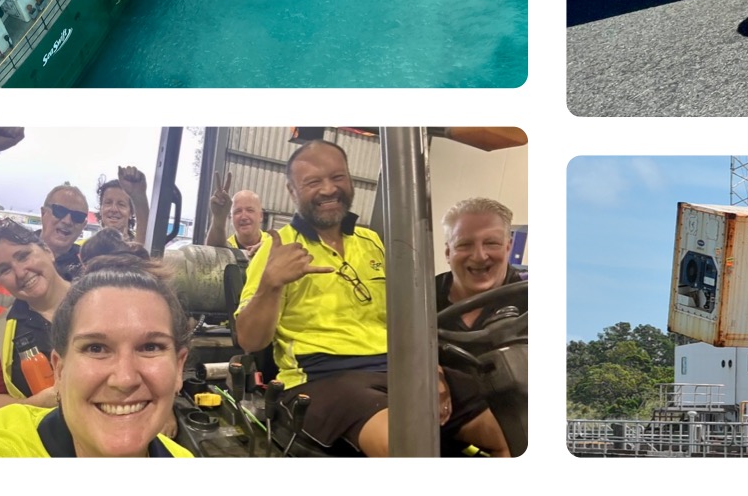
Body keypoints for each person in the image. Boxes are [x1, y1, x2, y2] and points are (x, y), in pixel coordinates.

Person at [235, 138, 433, 455]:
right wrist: (271, 284)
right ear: (292, 191)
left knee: (505, 410)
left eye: (337, 177)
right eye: (313, 182)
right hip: (322, 378)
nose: (328, 189)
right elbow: (249, 341)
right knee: (407, 444)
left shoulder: (373, 242)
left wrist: (429, 369)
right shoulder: (277, 249)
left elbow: (408, 319)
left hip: (395, 371)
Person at [0, 266, 194, 458]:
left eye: (150, 347)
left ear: (179, 367)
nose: (124, 379)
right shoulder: (3, 449)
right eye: (96, 347)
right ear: (60, 370)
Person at [0, 128, 100, 406]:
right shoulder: (5, 242)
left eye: (78, 216)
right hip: (1, 367)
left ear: (84, 224)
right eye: (59, 211)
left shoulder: (90, 263)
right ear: (43, 213)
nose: (67, 220)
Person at [436, 196, 525, 456]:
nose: (479, 255)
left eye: (491, 243)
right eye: (464, 244)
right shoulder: (420, 299)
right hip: (450, 430)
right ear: (448, 252)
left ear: (508, 247)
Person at [0, 224, 71, 415]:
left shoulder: (99, 299)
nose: (20, 272)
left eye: (23, 256)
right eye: (5, 269)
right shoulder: (2, 329)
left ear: (48, 251)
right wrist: (35, 404)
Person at [207, 173, 267, 258]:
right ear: (231, 218)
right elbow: (211, 255)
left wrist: (271, 249)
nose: (244, 217)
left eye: (250, 210)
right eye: (237, 211)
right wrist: (218, 218)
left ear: (261, 216)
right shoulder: (227, 246)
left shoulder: (274, 244)